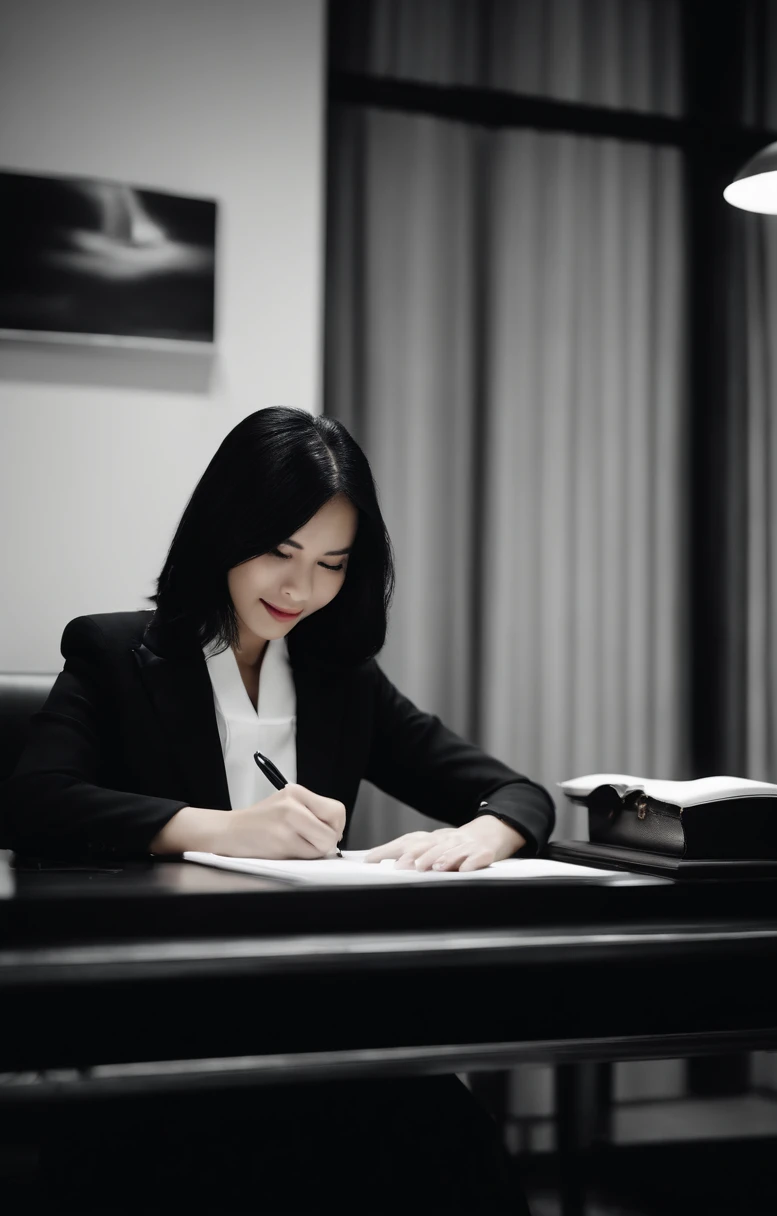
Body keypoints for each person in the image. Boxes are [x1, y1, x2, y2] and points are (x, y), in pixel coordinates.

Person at [3, 406, 555, 1213]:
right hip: (157, 1022)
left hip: (308, 1008)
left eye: (333, 563)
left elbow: (517, 793)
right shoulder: (114, 655)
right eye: (279, 553)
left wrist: (485, 831)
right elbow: (33, 801)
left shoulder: (340, 678)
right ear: (224, 533)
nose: (302, 589)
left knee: (447, 1129)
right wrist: (222, 829)